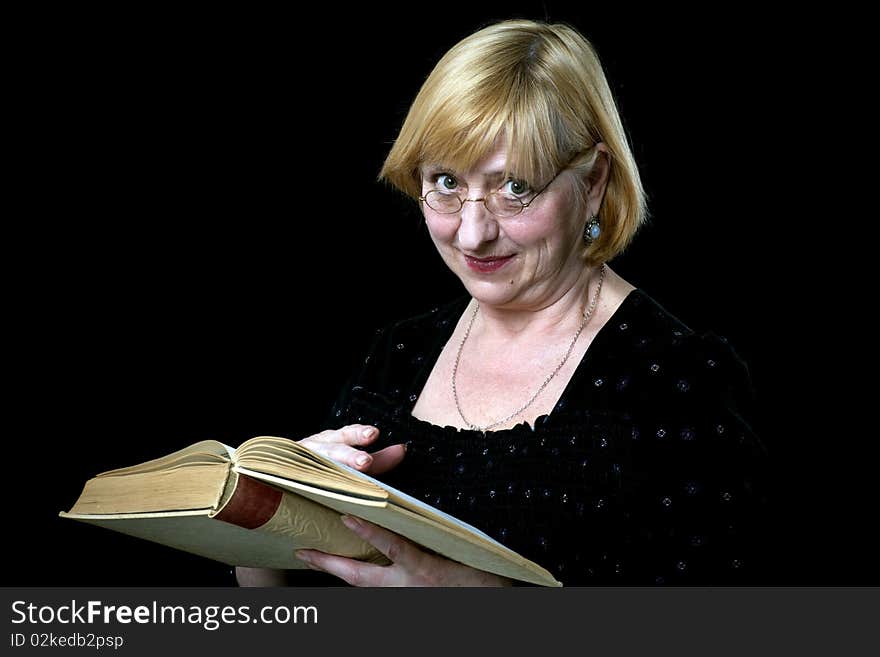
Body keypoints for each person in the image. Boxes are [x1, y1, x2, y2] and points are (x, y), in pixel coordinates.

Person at [237, 19, 769, 586]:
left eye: (515, 187)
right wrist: (263, 525)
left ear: (592, 182)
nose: (471, 234)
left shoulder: (678, 381)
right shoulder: (398, 352)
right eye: (444, 181)